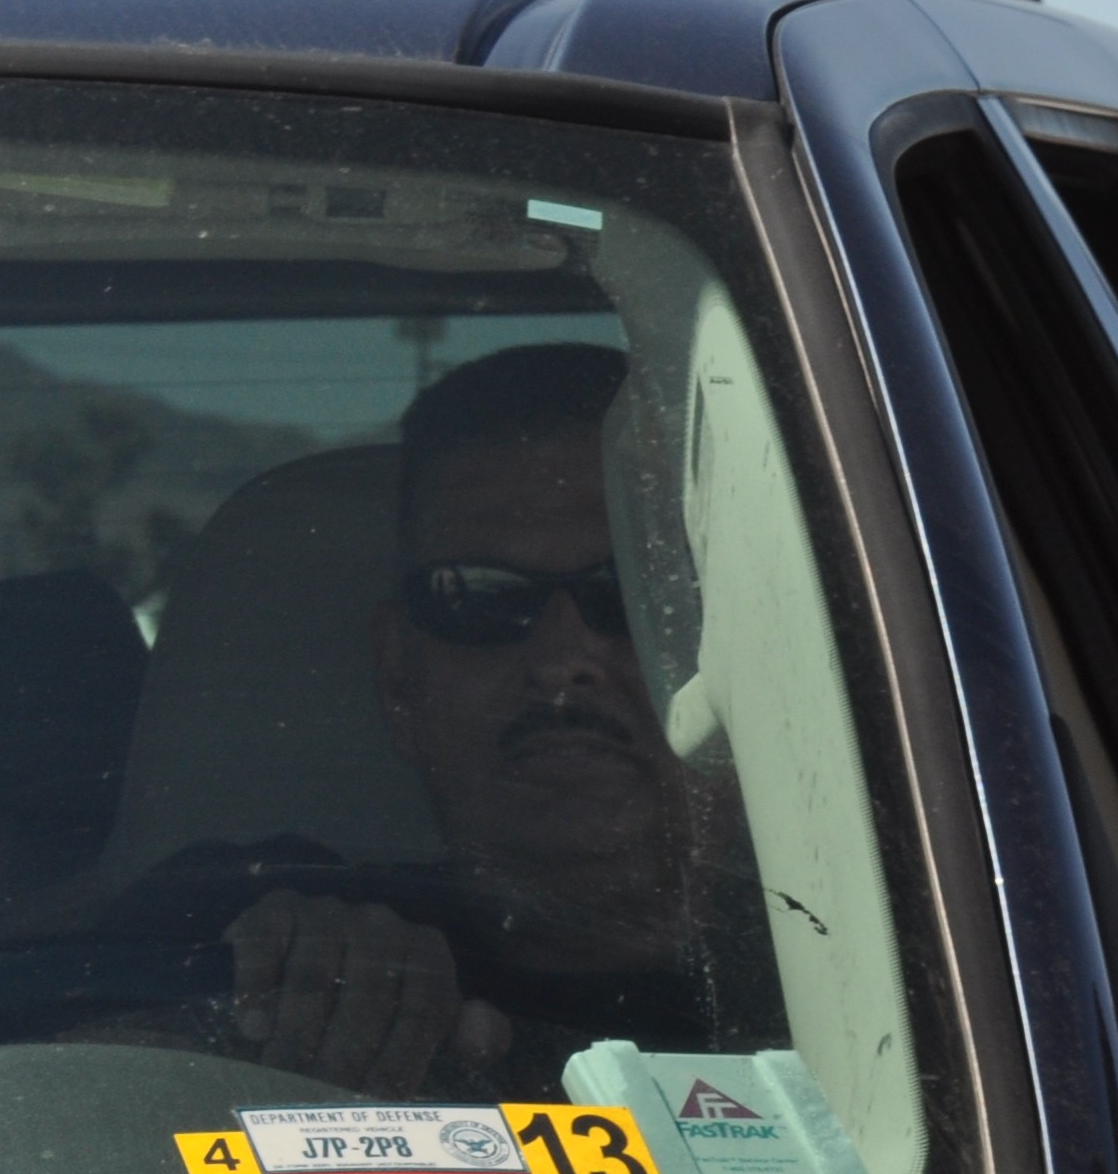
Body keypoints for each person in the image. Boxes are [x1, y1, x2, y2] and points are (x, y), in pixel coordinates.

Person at [154, 342, 769, 1097]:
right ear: (399, 681)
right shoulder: (249, 942)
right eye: (479, 594)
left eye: (627, 591)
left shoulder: (906, 964)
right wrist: (285, 989)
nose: (561, 659)